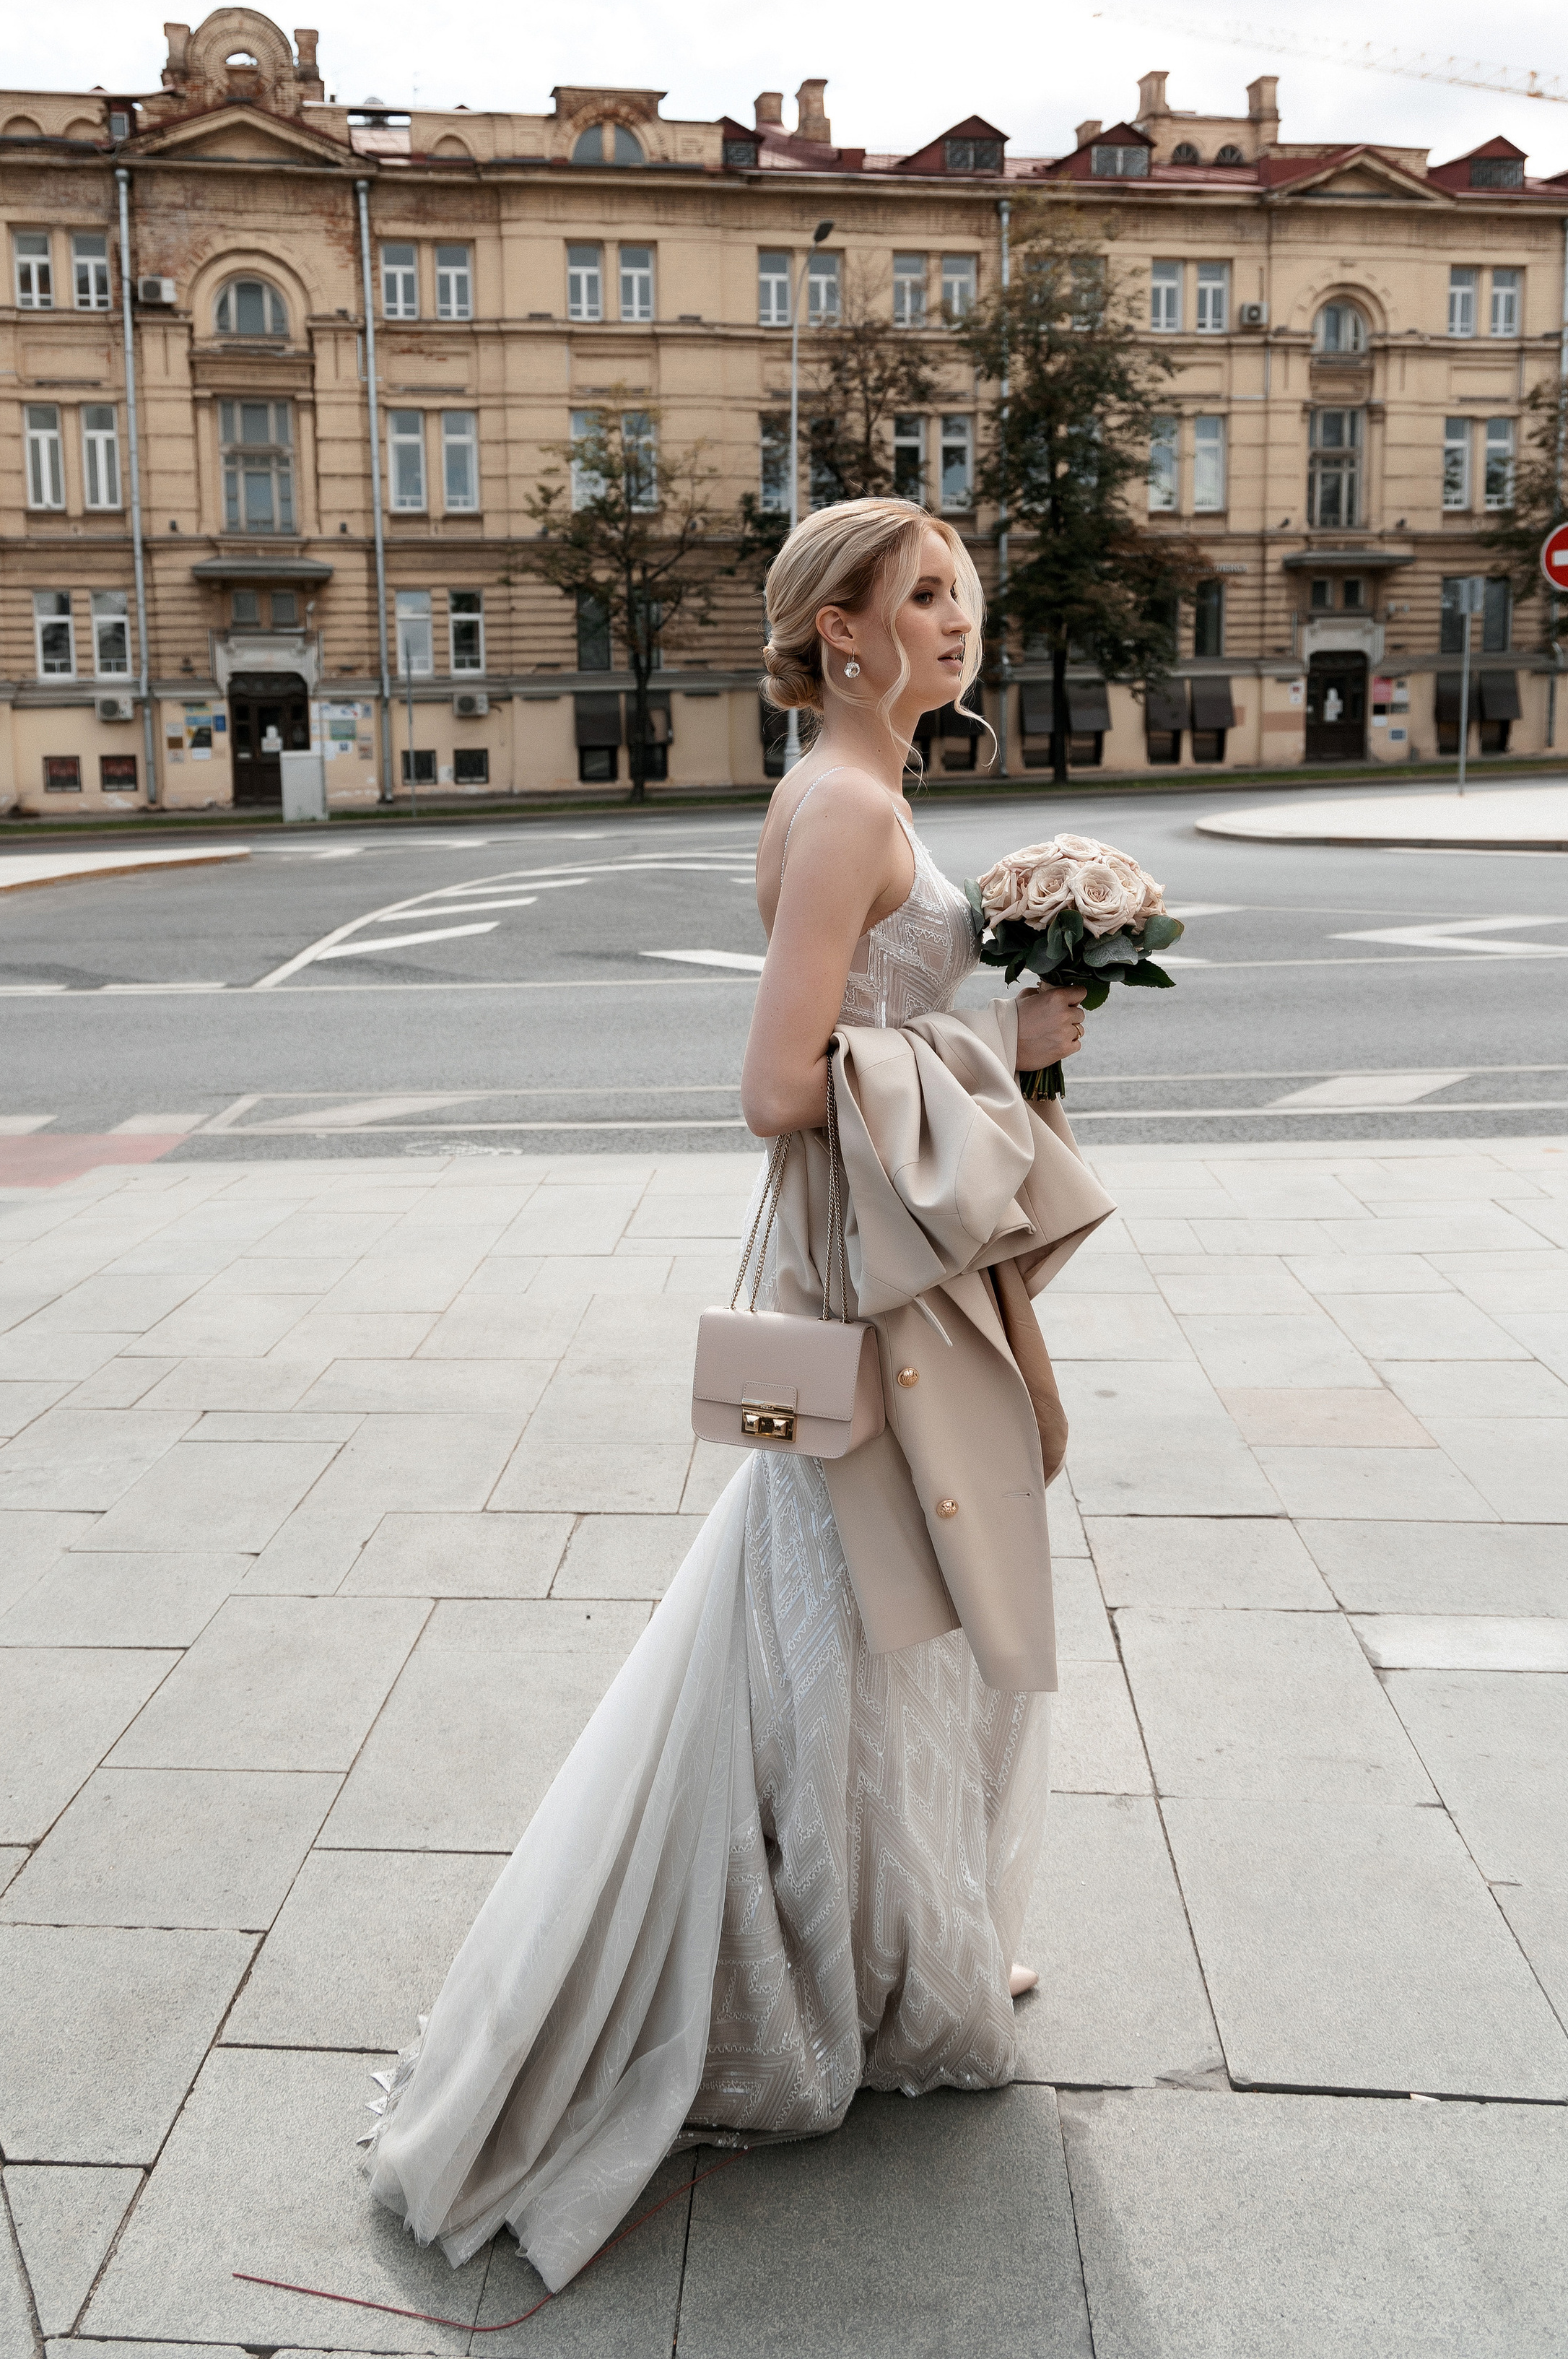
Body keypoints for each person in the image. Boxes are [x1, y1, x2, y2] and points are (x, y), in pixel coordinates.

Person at [362, 499, 1097, 2295]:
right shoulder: (843, 802)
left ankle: (886, 1943)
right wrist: (1001, 1047)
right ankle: (802, 1976)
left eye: (960, 592)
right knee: (846, 1619)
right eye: (920, 594)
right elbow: (774, 1079)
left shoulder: (872, 793)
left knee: (870, 1628)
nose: (956, 619)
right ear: (835, 629)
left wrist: (1016, 1028)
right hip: (856, 1283)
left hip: (883, 1261)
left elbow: (855, 1025)